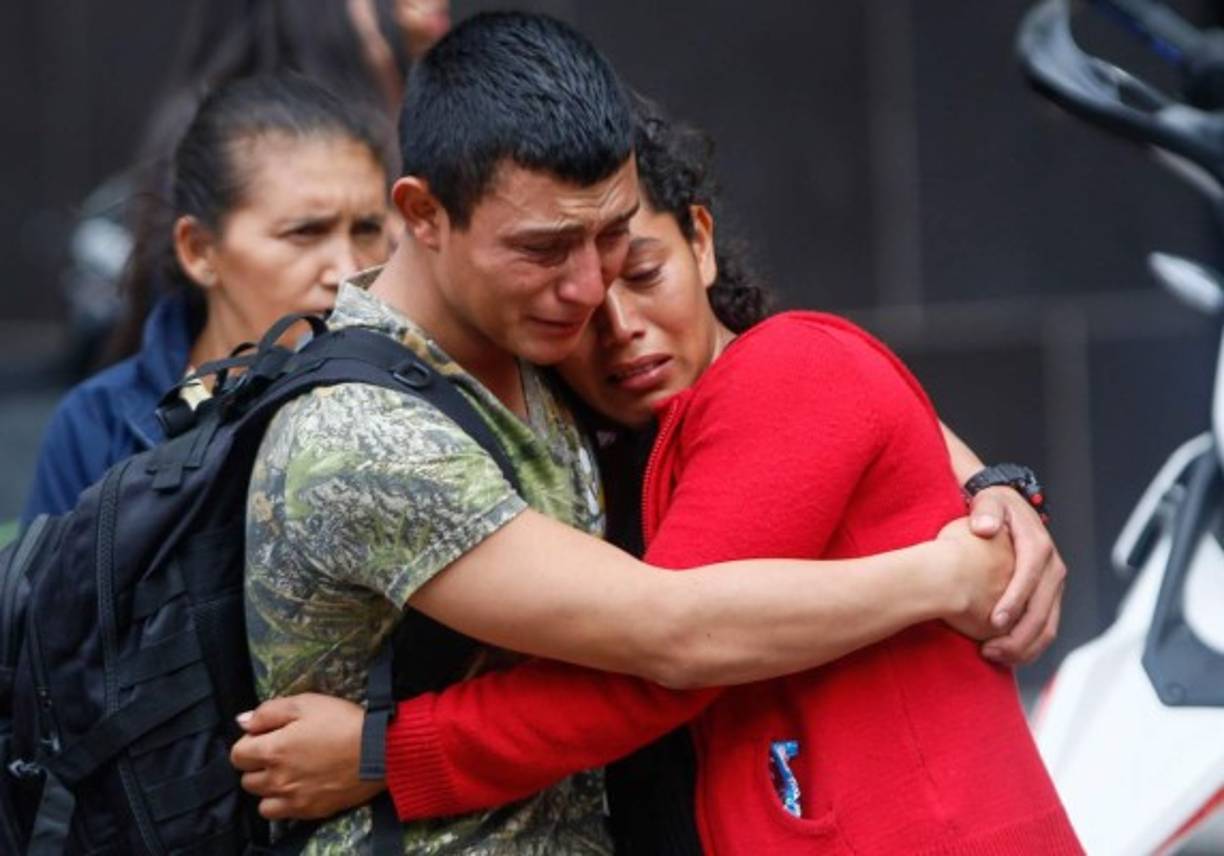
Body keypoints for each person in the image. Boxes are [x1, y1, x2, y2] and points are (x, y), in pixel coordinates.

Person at [236, 13, 1066, 855]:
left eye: (626, 254)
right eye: (549, 251)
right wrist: (947, 565)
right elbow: (674, 634)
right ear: (423, 216)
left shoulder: (665, 361)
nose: (597, 296)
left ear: (699, 240)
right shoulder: (381, 427)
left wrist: (995, 496)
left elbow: (827, 408)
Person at [21, 73, 393, 523]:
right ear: (199, 250)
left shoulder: (408, 403)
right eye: (305, 232)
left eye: (367, 229)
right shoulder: (102, 424)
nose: (347, 269)